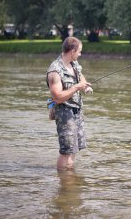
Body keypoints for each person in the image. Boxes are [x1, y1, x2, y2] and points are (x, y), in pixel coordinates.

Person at [46, 36, 92, 170]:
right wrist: (76, 87)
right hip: (64, 112)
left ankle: (69, 177)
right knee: (66, 151)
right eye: (79, 51)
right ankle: (63, 179)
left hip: (77, 110)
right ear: (72, 50)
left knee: (74, 149)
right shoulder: (55, 71)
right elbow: (57, 98)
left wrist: (85, 85)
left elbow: (80, 75)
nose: (80, 54)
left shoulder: (73, 63)